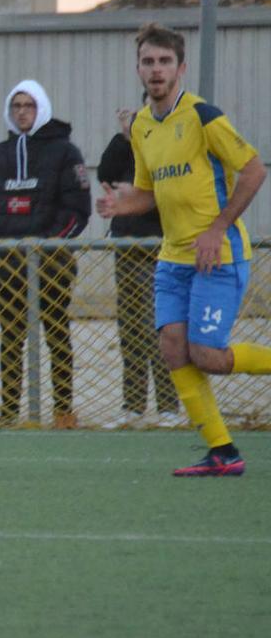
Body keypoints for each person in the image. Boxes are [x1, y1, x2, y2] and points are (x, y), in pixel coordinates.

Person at [98, 22, 271, 476]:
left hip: (218, 255)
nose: (156, 70)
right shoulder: (141, 127)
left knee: (207, 355)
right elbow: (148, 191)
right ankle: (223, 452)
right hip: (173, 258)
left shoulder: (203, 116)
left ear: (181, 67)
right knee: (173, 349)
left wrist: (217, 228)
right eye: (148, 62)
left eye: (164, 61)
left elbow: (253, 170)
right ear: (138, 69)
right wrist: (119, 204)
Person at [0, 80, 90, 429]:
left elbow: (78, 210)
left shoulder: (65, 152)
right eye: (17, 106)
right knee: (10, 337)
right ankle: (11, 409)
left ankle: (62, 409)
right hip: (8, 266)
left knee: (57, 334)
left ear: (41, 107)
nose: (23, 111)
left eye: (29, 105)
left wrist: (48, 246)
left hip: (51, 264)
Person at [97, 96, 179, 429]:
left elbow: (169, 190)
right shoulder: (128, 143)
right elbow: (106, 174)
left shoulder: (174, 142)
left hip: (161, 245)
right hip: (127, 244)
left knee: (157, 326)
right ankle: (132, 405)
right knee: (129, 327)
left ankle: (169, 406)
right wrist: (126, 137)